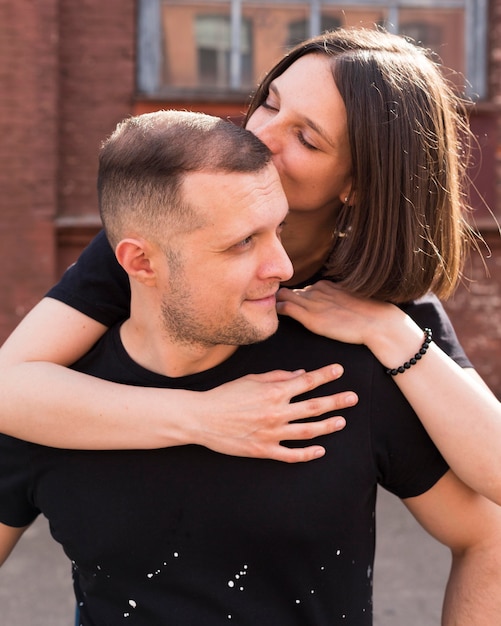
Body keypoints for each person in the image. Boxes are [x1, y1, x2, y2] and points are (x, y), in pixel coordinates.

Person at [1, 109, 500, 625]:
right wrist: (204, 417)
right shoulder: (50, 406)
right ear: (140, 263)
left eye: (280, 230)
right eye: (242, 242)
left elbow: (488, 534)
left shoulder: (345, 380)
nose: (282, 267)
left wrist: (393, 332)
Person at [0, 28, 500, 499]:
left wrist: (390, 331)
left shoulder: (381, 290)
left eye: (307, 139)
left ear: (361, 182)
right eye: (270, 103)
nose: (260, 135)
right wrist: (202, 416)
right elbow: (10, 388)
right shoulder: (165, 241)